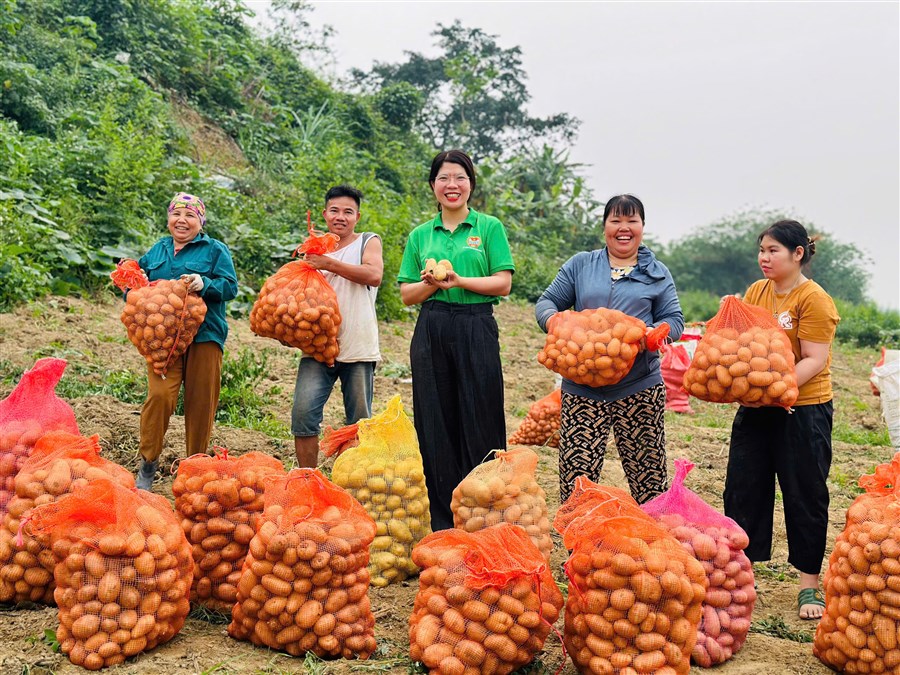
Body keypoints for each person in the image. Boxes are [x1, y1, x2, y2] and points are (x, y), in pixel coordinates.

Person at [723, 219, 840, 620]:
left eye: (773, 250)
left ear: (798, 254)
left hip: (803, 410)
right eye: (762, 250)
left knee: (805, 493)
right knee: (743, 488)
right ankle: (744, 573)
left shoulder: (814, 299)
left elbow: (814, 359)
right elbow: (743, 345)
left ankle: (809, 585)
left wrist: (775, 391)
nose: (764, 258)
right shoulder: (757, 291)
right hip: (757, 408)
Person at [535, 194, 684, 505]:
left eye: (632, 221)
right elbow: (547, 303)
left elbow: (674, 319)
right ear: (604, 226)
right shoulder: (581, 265)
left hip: (638, 386)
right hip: (582, 388)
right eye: (616, 220)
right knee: (577, 480)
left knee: (649, 477)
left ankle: (649, 548)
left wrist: (655, 335)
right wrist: (558, 323)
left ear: (643, 226)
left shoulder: (657, 273)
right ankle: (579, 547)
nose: (624, 228)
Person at [397, 149, 515, 531]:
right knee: (435, 419)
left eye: (460, 178)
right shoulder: (420, 235)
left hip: (476, 325)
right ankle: (443, 521)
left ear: (471, 184)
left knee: (481, 413)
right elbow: (406, 295)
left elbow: (503, 283)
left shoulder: (489, 227)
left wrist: (460, 281)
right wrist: (431, 286)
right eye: (444, 178)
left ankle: (484, 512)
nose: (452, 186)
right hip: (432, 327)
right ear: (433, 186)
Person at [134, 192, 238, 490]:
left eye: (190, 215)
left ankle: (194, 467)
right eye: (176, 214)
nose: (182, 221)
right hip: (163, 341)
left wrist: (206, 283)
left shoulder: (215, 250)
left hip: (205, 335)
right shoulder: (158, 250)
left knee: (200, 402)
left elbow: (230, 288)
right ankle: (148, 463)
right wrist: (130, 289)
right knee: (160, 396)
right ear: (169, 219)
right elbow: (137, 282)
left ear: (200, 221)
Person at [291, 185, 384, 468]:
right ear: (325, 214)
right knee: (303, 415)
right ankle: (308, 479)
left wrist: (327, 263)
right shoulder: (314, 249)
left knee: (357, 423)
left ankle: (352, 482)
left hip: (358, 347)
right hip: (318, 349)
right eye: (335, 210)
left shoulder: (368, 241)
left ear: (357, 216)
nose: (340, 216)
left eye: (348, 212)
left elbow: (373, 275)